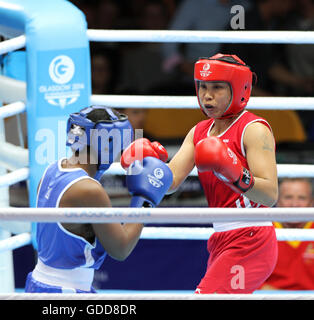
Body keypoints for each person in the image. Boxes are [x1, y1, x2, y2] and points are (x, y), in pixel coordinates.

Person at [124, 53, 279, 293]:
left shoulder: (254, 129)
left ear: (240, 89)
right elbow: (171, 182)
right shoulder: (199, 132)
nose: (207, 95)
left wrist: (234, 172)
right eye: (203, 86)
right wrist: (145, 164)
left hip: (252, 237)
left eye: (217, 87)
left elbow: (270, 195)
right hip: (220, 237)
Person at [24, 106, 173, 293]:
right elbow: (121, 248)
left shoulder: (52, 169)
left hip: (39, 283)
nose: (120, 151)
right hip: (64, 293)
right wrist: (144, 197)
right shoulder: (89, 190)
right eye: (119, 144)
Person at [260, 178, 314, 290]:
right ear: (278, 201)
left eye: (302, 198)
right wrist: (262, 290)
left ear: (311, 202)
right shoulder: (261, 232)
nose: (294, 204)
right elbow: (245, 276)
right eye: (288, 197)